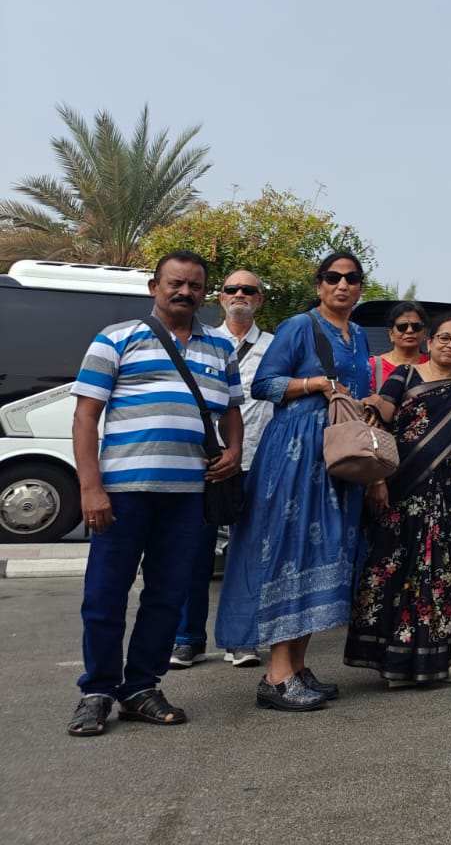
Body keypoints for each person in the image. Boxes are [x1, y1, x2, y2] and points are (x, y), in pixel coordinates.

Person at [67, 251, 244, 737]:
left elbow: (231, 410)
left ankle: (142, 687)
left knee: (167, 596)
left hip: (190, 494)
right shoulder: (116, 338)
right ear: (153, 287)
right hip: (123, 493)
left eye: (194, 286)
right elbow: (85, 418)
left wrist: (234, 451)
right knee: (105, 594)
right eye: (175, 283)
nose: (184, 292)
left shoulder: (218, 350)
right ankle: (97, 691)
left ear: (205, 294)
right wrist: (91, 488)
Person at [215, 249, 375, 712]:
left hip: (339, 457)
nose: (342, 285)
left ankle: (298, 667)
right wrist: (313, 385)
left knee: (326, 554)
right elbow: (263, 384)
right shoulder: (299, 327)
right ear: (319, 283)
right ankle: (276, 676)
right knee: (292, 553)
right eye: (332, 277)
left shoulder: (360, 334)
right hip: (296, 455)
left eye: (351, 278)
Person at [344, 313, 451, 686]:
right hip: (402, 489)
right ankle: (390, 661)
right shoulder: (405, 377)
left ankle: (438, 659)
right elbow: (379, 428)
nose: (450, 344)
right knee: (392, 570)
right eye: (444, 337)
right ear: (429, 342)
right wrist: (376, 479)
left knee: (441, 576)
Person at [171, 269, 274, 671]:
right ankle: (187, 639)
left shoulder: (275, 346)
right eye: (232, 289)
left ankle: (241, 638)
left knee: (247, 557)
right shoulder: (202, 343)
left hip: (255, 461)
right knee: (194, 553)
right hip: (204, 464)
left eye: (249, 290)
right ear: (220, 297)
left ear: (260, 299)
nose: (240, 295)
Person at [370, 301, 428, 391]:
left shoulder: (433, 366)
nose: (409, 331)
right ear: (391, 334)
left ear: (424, 333)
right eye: (402, 327)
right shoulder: (373, 365)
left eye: (416, 326)